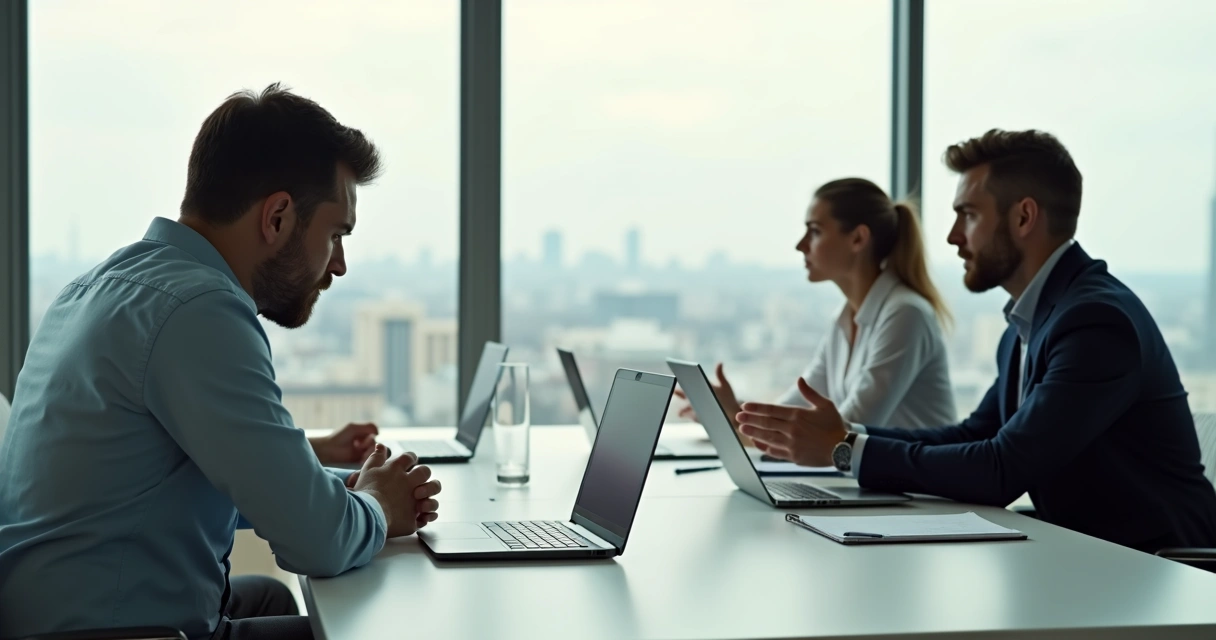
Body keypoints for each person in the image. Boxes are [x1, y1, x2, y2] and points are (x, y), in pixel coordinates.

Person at [0, 84, 442, 640]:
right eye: (335, 235)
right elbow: (316, 542)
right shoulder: (199, 311)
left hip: (56, 615)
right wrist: (377, 506)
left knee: (273, 597)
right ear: (278, 217)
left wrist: (344, 486)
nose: (341, 265)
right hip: (118, 631)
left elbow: (201, 475)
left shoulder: (97, 288)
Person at [738, 129, 1216, 552]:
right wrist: (847, 437)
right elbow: (976, 435)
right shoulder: (1030, 323)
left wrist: (844, 449)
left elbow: (1000, 469)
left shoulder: (1094, 322)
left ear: (1024, 217)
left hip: (1159, 572)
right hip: (1084, 557)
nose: (950, 236)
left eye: (967, 215)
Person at [675, 178, 957, 435]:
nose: (801, 245)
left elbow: (842, 434)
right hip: (875, 482)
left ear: (858, 238)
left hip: (917, 489)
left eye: (815, 231)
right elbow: (798, 407)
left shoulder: (906, 314)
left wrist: (735, 418)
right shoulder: (845, 318)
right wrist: (732, 410)